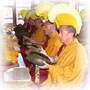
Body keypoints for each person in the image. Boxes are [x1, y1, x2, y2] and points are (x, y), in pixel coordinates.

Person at [39, 25, 87, 90]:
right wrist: (45, 55)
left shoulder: (78, 50)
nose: (59, 35)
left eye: (62, 33)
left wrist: (50, 67)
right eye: (59, 32)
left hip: (68, 84)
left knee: (39, 78)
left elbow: (73, 74)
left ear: (71, 34)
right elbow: (54, 60)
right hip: (57, 76)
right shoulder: (64, 47)